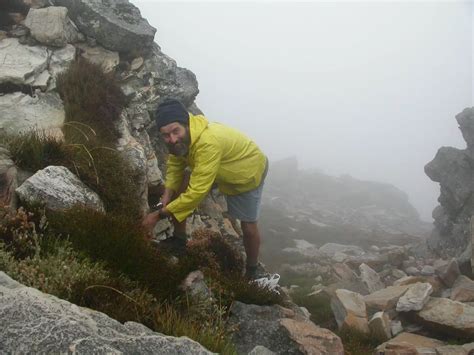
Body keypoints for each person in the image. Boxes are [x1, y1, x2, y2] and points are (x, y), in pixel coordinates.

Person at [142, 99, 268, 280]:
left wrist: (158, 214)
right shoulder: (183, 139)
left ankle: (253, 270)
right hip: (217, 167)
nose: (172, 139)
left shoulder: (207, 142)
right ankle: (179, 240)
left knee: (247, 226)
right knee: (181, 182)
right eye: (166, 135)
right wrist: (167, 194)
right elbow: (175, 165)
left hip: (246, 172)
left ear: (185, 124)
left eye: (175, 131)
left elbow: (197, 193)